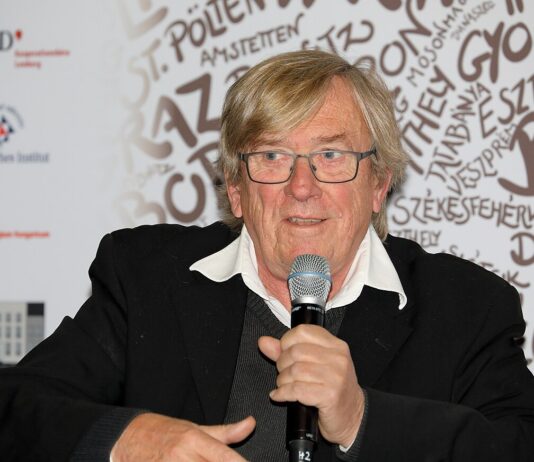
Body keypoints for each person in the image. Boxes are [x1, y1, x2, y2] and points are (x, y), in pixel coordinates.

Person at [1, 50, 533, 462]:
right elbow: (15, 410)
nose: (302, 187)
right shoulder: (146, 278)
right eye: (273, 156)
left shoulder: (466, 308)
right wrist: (130, 439)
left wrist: (362, 419)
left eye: (331, 155)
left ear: (378, 184)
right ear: (236, 189)